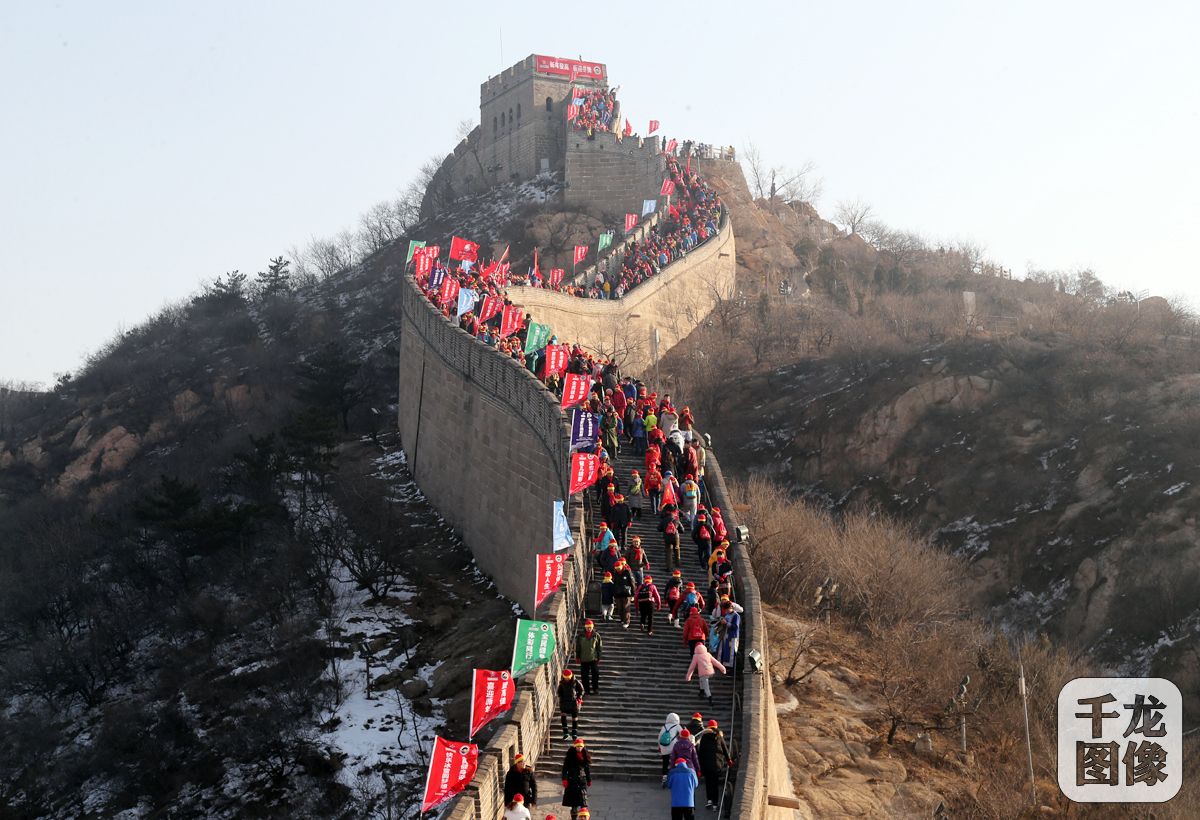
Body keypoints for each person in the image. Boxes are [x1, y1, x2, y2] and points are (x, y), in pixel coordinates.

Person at [697, 719, 733, 810]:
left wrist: (700, 768)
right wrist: (729, 760)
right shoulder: (719, 736)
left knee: (708, 783)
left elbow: (700, 753)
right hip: (717, 765)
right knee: (715, 784)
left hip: (706, 765)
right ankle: (715, 804)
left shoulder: (704, 737)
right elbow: (725, 749)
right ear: (716, 727)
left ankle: (709, 800)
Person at [561, 738, 592, 819]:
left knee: (583, 805)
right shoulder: (570, 755)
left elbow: (587, 769)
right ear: (575, 746)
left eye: (581, 746)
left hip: (582, 781)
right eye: (578, 746)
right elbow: (565, 768)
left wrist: (589, 779)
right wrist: (564, 779)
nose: (579, 748)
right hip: (572, 781)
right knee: (574, 806)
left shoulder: (585, 754)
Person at [576, 619, 603, 694]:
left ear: (592, 627)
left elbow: (599, 647)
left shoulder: (596, 635)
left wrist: (599, 657)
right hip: (583, 659)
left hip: (593, 658)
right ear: (585, 627)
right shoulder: (580, 635)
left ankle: (595, 688)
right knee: (584, 676)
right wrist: (577, 657)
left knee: (595, 674)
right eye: (587, 627)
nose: (589, 628)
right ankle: (586, 690)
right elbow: (578, 647)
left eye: (590, 627)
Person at [558, 669, 585, 740]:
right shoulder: (561, 683)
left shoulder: (575, 682)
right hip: (564, 702)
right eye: (565, 678)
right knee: (563, 716)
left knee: (574, 718)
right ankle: (566, 733)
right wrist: (561, 698)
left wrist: (579, 697)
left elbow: (581, 690)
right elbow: (559, 692)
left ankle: (574, 733)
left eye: (568, 678)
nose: (567, 679)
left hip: (573, 702)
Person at [657, 712, 683, 785]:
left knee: (665, 763)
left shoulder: (664, 726)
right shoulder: (677, 726)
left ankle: (664, 777)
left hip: (664, 747)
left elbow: (659, 738)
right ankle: (674, 778)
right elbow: (682, 735)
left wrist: (659, 746)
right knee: (675, 762)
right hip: (674, 748)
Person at [612, 559, 636, 629]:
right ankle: (622, 620)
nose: (618, 570)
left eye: (619, 568)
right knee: (619, 608)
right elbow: (614, 583)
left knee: (626, 608)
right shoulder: (615, 572)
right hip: (618, 593)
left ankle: (627, 621)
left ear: (622, 566)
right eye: (616, 569)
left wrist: (633, 594)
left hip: (626, 593)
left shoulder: (627, 572)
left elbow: (632, 582)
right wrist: (614, 593)